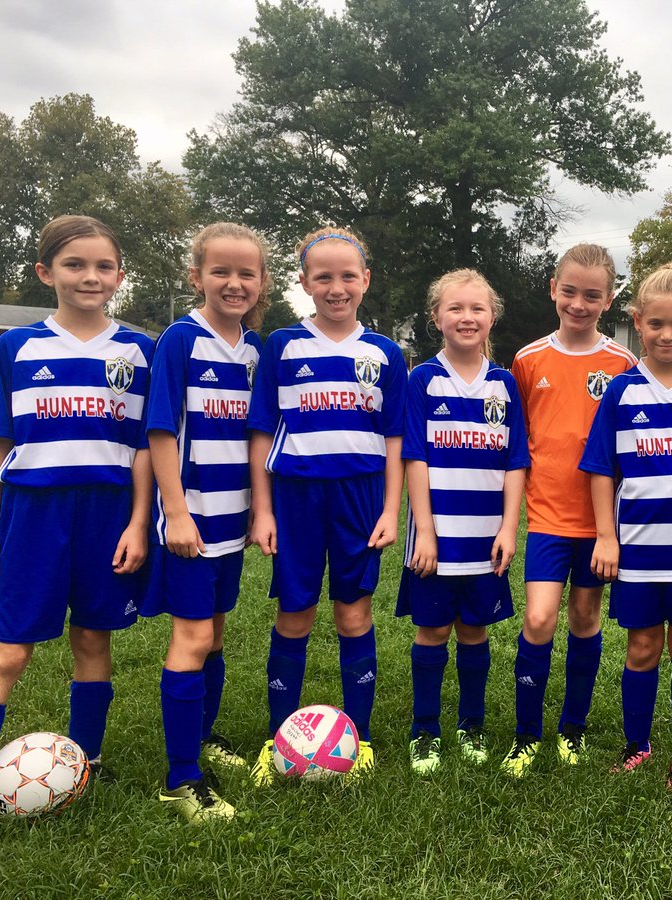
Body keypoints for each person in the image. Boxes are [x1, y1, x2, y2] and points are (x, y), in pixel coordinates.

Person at [0, 215, 154, 838]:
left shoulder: (140, 351)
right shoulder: (18, 346)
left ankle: (85, 761)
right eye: (75, 265)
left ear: (119, 276)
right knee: (9, 649)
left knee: (93, 638)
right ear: (46, 273)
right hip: (33, 515)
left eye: (103, 266)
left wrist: (138, 523)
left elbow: (144, 447)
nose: (90, 277)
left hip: (107, 515)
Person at [246, 227, 405, 783]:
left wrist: (391, 510)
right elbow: (262, 430)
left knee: (353, 611)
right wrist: (263, 511)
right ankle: (277, 738)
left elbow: (394, 439)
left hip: (360, 496)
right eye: (324, 277)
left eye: (347, 276)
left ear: (366, 280)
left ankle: (358, 740)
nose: (337, 288)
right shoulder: (282, 345)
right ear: (305, 282)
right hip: (296, 497)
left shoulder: (384, 352)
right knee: (295, 611)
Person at [581, 263, 672, 785]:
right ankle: (637, 743)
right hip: (638, 549)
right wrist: (606, 537)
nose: (667, 335)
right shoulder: (621, 391)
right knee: (642, 647)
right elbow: (601, 469)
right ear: (638, 322)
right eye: (656, 324)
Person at [142, 222, 268, 822]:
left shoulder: (254, 350)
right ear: (197, 277)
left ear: (262, 282)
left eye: (246, 273)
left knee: (215, 634)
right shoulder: (181, 340)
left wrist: (256, 510)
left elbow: (256, 437)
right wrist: (175, 512)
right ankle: (182, 777)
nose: (234, 283)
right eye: (221, 271)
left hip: (231, 518)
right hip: (190, 520)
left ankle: (202, 736)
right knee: (191, 639)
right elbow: (160, 430)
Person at [502, 244, 638, 776]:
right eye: (570, 292)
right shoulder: (528, 359)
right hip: (548, 518)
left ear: (608, 300)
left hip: (600, 522)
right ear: (553, 290)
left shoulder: (622, 364)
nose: (579, 304)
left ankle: (573, 727)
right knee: (538, 618)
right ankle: (525, 735)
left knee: (584, 617)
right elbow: (517, 439)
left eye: (592, 295)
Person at [399, 269, 528, 774]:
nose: (467, 317)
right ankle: (425, 729)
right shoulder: (423, 380)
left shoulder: (504, 384)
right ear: (437, 317)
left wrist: (508, 528)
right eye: (455, 308)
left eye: (477, 308)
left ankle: (471, 724)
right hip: (437, 537)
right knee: (432, 631)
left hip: (485, 537)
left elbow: (515, 461)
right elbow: (415, 457)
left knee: (475, 631)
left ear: (492, 317)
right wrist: (425, 531)